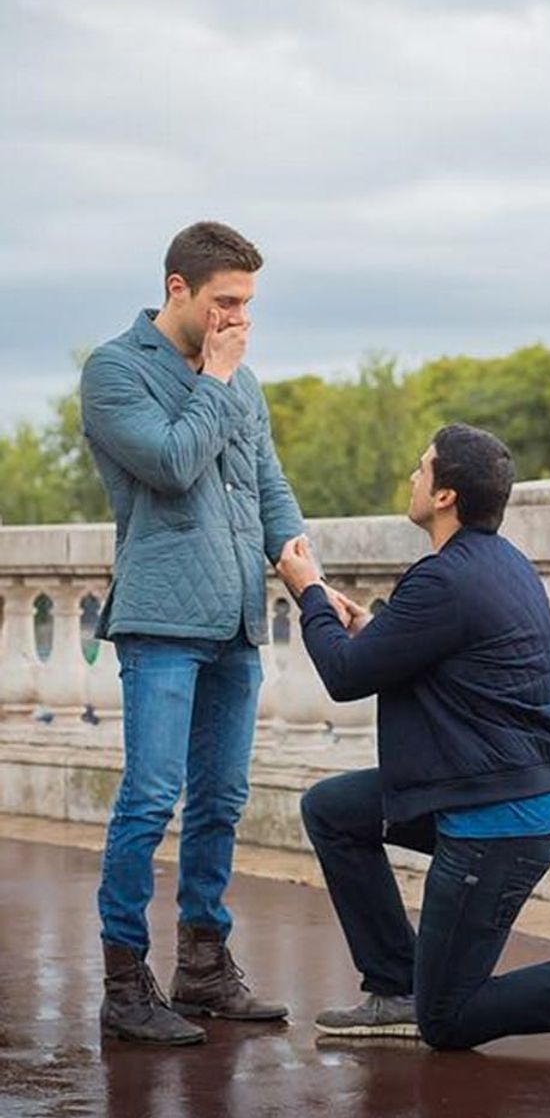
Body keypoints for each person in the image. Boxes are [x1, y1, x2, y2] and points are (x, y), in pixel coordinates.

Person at [276, 423, 550, 1052]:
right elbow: (439, 655)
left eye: (422, 468)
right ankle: (397, 986)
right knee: (334, 812)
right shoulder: (502, 566)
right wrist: (372, 625)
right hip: (484, 791)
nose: (413, 477)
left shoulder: (444, 579)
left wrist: (308, 592)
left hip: (498, 820)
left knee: (449, 1020)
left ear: (446, 495)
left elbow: (345, 676)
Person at [80, 221, 346, 1045]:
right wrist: (220, 379)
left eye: (248, 304)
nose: (239, 319)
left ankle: (202, 968)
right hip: (161, 617)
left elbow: (270, 488)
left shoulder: (242, 381)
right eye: (226, 301)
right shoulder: (115, 370)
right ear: (177, 290)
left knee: (222, 801)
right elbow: (168, 464)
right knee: (151, 797)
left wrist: (312, 582)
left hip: (235, 621)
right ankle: (125, 984)